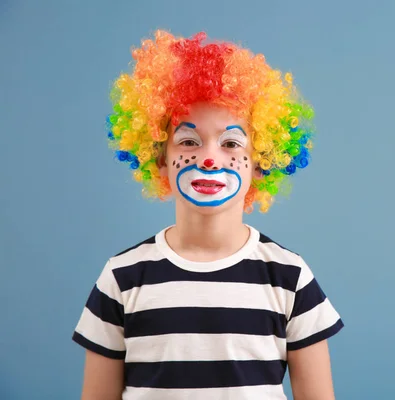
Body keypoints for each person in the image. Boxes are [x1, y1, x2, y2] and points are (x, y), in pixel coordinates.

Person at [72, 30, 344, 400]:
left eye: (231, 143)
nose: (210, 159)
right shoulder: (121, 278)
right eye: (188, 142)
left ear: (261, 162)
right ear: (159, 158)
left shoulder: (289, 276)